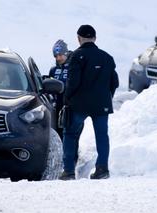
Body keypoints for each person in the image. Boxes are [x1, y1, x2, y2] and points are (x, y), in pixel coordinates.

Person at [59, 25, 119, 180]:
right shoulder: (107, 57)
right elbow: (114, 82)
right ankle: (102, 169)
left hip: (79, 104)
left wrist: (67, 99)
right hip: (101, 104)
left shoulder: (76, 56)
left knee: (70, 134)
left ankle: (69, 171)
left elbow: (73, 82)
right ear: (95, 38)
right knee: (101, 135)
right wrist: (106, 97)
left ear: (78, 38)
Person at [49, 39, 83, 165]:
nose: (58, 58)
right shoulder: (53, 70)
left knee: (72, 133)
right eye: (56, 56)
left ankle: (72, 161)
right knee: (59, 134)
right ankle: (61, 161)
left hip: (71, 105)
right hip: (57, 107)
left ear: (66, 53)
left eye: (60, 55)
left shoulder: (74, 66)